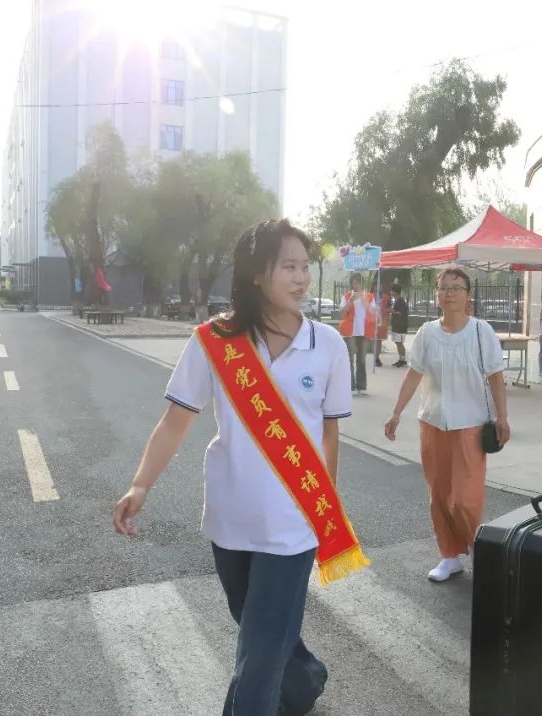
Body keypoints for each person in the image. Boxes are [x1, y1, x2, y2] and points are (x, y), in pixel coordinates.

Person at [112, 219, 366, 716]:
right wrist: (140, 485)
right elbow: (175, 420)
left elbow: (328, 433)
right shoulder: (215, 340)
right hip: (231, 517)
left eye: (305, 267)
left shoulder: (328, 345)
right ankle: (305, 680)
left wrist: (326, 508)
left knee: (256, 665)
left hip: (293, 522)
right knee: (255, 627)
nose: (301, 278)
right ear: (256, 273)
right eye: (288, 267)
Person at [384, 267, 510, 582]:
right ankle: (449, 556)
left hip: (470, 425)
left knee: (465, 498)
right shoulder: (427, 333)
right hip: (433, 422)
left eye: (456, 287)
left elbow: (496, 377)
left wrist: (503, 417)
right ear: (437, 294)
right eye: (443, 288)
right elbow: (413, 374)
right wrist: (396, 412)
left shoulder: (482, 332)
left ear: (468, 295)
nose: (449, 293)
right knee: (439, 495)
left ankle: (477, 547)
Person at [339, 273, 376, 395]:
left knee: (361, 359)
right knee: (349, 359)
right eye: (354, 283)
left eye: (358, 283)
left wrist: (363, 299)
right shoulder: (347, 296)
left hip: (364, 332)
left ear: (362, 283)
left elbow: (372, 312)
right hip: (349, 332)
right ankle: (351, 387)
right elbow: (342, 313)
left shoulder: (369, 296)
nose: (356, 285)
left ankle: (361, 386)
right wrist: (351, 300)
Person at [389, 284, 409, 367]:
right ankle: (400, 359)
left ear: (395, 292)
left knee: (400, 343)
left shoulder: (401, 301)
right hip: (396, 325)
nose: (390, 292)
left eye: (392, 290)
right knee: (397, 342)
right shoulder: (396, 300)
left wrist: (393, 312)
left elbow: (402, 313)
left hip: (400, 326)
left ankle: (403, 359)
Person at [374, 287, 391, 368]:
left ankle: (376, 357)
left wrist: (387, 314)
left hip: (382, 321)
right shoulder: (371, 297)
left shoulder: (387, 298)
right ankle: (375, 357)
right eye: (376, 286)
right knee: (375, 340)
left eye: (380, 285)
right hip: (373, 321)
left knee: (379, 340)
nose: (378, 287)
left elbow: (390, 308)